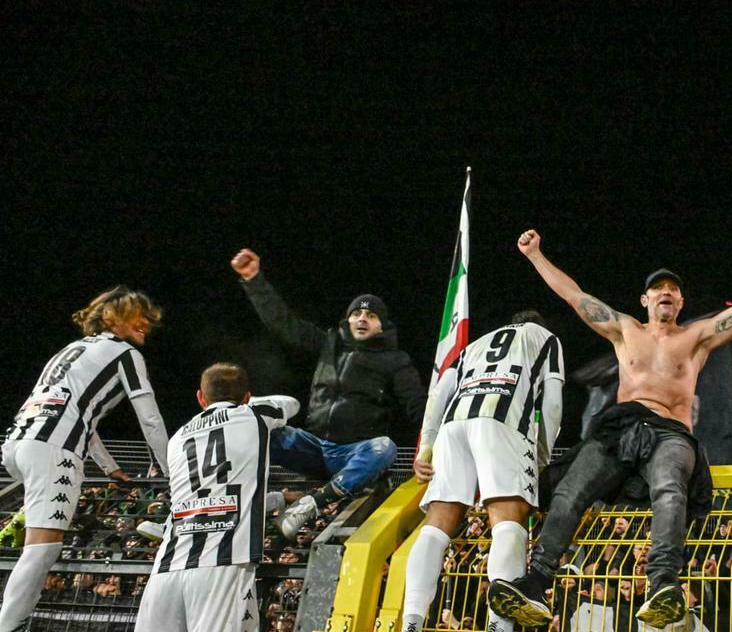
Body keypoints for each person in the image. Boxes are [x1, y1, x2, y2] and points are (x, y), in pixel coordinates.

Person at [489, 230, 732, 629]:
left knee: (670, 489)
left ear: (681, 302)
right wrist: (535, 255)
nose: (666, 293)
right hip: (621, 428)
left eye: (673, 289)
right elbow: (574, 296)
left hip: (671, 432)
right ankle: (536, 580)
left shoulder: (696, 338)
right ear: (645, 300)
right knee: (571, 490)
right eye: (658, 289)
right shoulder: (625, 329)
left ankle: (663, 584)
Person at [1, 286, 170, 632]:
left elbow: (78, 417)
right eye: (139, 316)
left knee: (38, 544)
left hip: (18, 443)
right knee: (42, 550)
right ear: (112, 317)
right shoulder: (125, 353)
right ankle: (8, 625)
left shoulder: (70, 350)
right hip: (52, 449)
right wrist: (172, 470)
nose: (146, 324)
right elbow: (150, 418)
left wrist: (110, 467)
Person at [230, 248, 427, 538]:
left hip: (354, 453)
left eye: (371, 315)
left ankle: (309, 504)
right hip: (313, 447)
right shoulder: (328, 344)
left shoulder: (396, 360)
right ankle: (246, 501)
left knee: (385, 447)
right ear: (348, 320)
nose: (362, 318)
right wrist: (254, 280)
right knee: (255, 430)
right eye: (356, 313)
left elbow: (417, 405)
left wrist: (433, 446)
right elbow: (283, 324)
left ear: (382, 326)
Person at [402, 311, 565, 632]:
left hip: (453, 426)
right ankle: (498, 626)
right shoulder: (545, 338)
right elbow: (553, 402)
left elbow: (438, 393)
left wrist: (426, 447)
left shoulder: (473, 346)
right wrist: (541, 456)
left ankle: (411, 622)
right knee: (508, 521)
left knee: (437, 525)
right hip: (502, 423)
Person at [135, 363, 299, 632]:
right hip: (222, 563)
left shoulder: (177, 438)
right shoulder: (255, 415)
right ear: (246, 396)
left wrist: (277, 499)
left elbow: (214, 491)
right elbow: (291, 404)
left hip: (167, 566)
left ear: (201, 398)